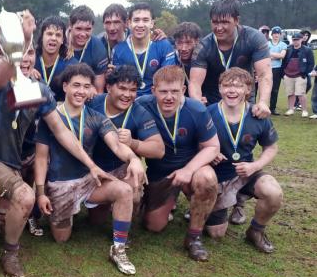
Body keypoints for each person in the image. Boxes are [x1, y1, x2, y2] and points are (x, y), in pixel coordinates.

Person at [0, 41, 111, 277]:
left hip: (12, 164)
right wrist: (20, 40)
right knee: (25, 196)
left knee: (8, 220)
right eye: (20, 53)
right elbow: (1, 74)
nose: (26, 58)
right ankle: (10, 254)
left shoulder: (40, 90)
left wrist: (92, 165)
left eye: (30, 52)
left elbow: (61, 131)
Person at [34, 63, 145, 275]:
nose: (81, 91)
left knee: (125, 190)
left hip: (88, 182)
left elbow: (116, 144)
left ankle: (119, 248)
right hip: (61, 185)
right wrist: (40, 193)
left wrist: (133, 158)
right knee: (61, 238)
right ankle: (46, 213)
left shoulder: (95, 117)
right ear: (65, 86)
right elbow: (40, 158)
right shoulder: (50, 117)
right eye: (76, 85)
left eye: (86, 86)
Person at [138, 65, 220, 261]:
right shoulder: (141, 106)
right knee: (154, 226)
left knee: (207, 179)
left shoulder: (196, 109)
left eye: (175, 91)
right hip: (160, 173)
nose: (169, 97)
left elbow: (212, 147)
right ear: (153, 91)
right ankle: (163, 201)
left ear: (183, 90)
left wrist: (188, 169)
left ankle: (194, 237)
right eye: (163, 91)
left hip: (191, 170)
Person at [205, 68, 282, 252]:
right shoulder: (207, 113)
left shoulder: (258, 115)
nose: (232, 90)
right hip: (218, 177)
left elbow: (271, 147)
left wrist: (255, 165)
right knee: (215, 234)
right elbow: (193, 143)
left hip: (247, 174)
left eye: (238, 86)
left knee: (273, 192)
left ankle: (256, 230)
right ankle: (220, 203)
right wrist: (208, 151)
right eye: (227, 86)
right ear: (220, 88)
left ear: (248, 90)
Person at [86, 65, 164, 224]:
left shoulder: (139, 113)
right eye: (122, 88)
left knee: (133, 186)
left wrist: (132, 143)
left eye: (133, 90)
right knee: (96, 222)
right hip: (92, 168)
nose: (127, 95)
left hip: (121, 170)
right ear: (108, 87)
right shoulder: (92, 102)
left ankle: (131, 212)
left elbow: (159, 149)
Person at [188, 0, 272, 117]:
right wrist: (197, 103)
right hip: (214, 106)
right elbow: (195, 82)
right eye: (215, 22)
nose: (219, 27)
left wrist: (263, 102)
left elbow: (264, 74)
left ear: (237, 20)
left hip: (245, 103)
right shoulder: (203, 47)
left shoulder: (254, 38)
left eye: (225, 22)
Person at [112, 3, 176, 96]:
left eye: (145, 20)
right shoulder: (118, 50)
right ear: (129, 23)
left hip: (156, 101)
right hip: (128, 100)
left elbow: (167, 81)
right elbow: (118, 84)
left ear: (152, 23)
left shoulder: (164, 46)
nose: (140, 25)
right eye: (136, 20)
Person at [34, 16, 79, 101]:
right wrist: (26, 72)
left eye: (58, 35)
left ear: (62, 40)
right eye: (49, 34)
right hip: (33, 110)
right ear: (42, 37)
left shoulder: (71, 65)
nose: (53, 38)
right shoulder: (31, 60)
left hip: (60, 111)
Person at [67, 5, 108, 93]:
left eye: (87, 29)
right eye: (78, 29)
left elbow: (99, 90)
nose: (82, 34)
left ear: (92, 28)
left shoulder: (97, 47)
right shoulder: (60, 42)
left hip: (84, 92)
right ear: (70, 25)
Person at [282, 32, 314, 117]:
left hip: (300, 75)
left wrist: (304, 73)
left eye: (297, 40)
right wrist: (283, 73)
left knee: (301, 93)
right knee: (290, 93)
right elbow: (284, 62)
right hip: (288, 75)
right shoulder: (288, 49)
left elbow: (311, 64)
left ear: (301, 40)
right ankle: (291, 109)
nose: (295, 41)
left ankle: (304, 110)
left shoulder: (307, 50)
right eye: (294, 40)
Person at [172, 22, 202, 90]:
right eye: (179, 43)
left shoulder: (206, 59)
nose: (183, 48)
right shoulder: (170, 60)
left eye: (188, 43)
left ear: (197, 41)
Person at [98, 4, 128, 69]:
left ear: (126, 23)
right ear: (103, 24)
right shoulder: (98, 44)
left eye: (116, 22)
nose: (111, 28)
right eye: (108, 23)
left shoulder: (134, 39)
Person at [268, 27, 287, 115]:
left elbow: (282, 56)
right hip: (267, 68)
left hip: (277, 69)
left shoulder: (283, 44)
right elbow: (264, 55)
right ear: (271, 35)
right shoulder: (267, 43)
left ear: (280, 35)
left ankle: (272, 108)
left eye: (278, 34)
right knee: (265, 88)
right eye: (274, 34)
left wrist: (270, 54)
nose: (276, 35)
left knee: (275, 89)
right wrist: (276, 55)